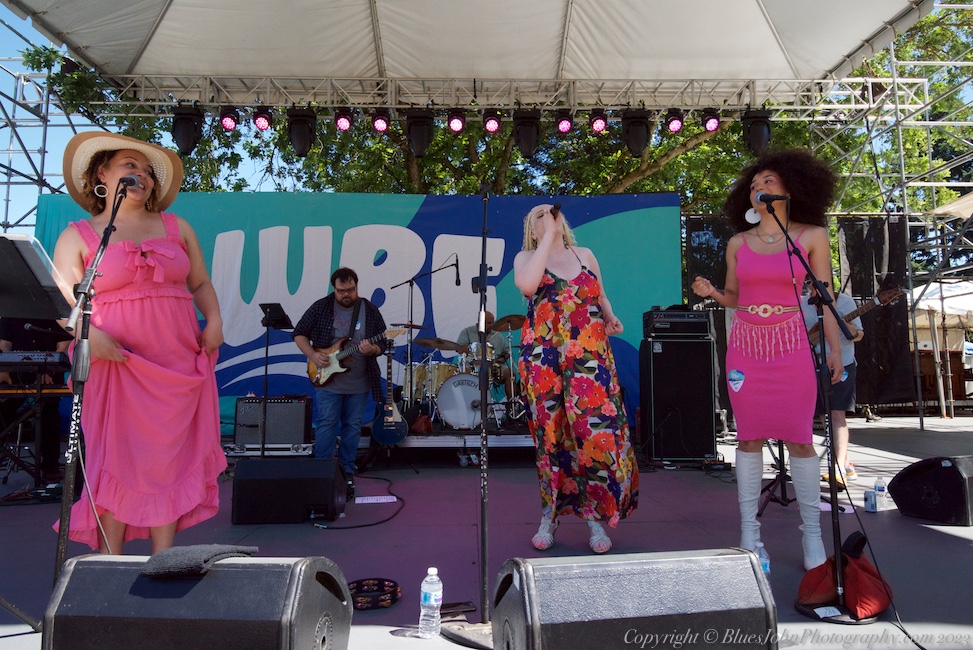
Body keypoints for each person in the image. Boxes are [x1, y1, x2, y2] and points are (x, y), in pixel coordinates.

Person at [52, 131, 226, 554]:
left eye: (147, 170)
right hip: (114, 362)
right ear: (101, 174)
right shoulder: (80, 234)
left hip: (175, 360)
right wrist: (92, 336)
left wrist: (216, 319)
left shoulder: (176, 226)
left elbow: (199, 281)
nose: (141, 175)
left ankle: (162, 562)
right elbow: (63, 303)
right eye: (130, 165)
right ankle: (109, 565)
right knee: (115, 460)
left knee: (167, 460)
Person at [692, 148, 842, 572]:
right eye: (755, 184)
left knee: (800, 438)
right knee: (749, 437)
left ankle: (813, 539)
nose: (759, 188)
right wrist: (712, 294)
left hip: (791, 344)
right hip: (747, 348)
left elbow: (824, 298)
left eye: (768, 182)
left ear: (792, 188)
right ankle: (749, 537)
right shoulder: (737, 243)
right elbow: (735, 297)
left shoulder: (812, 236)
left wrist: (834, 348)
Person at [514, 203, 639, 554]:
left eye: (549, 214)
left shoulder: (584, 254)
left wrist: (611, 315)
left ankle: (594, 519)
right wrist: (547, 238)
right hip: (545, 358)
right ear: (531, 228)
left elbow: (598, 293)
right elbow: (526, 286)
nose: (546, 218)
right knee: (551, 438)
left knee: (592, 436)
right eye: (537, 216)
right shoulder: (526, 258)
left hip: (589, 357)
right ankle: (548, 516)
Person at [293, 267, 387, 497]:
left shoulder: (370, 310)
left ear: (357, 287)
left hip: (359, 382)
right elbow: (299, 333)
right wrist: (313, 355)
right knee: (326, 424)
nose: (347, 294)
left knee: (352, 427)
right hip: (328, 381)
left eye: (351, 290)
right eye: (342, 291)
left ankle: (347, 474)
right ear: (333, 289)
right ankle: (321, 472)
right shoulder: (321, 306)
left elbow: (382, 343)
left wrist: (372, 348)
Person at [801, 290, 864, 486]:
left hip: (842, 364)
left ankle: (837, 468)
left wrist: (849, 329)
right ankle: (845, 462)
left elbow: (859, 335)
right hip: (815, 364)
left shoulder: (845, 302)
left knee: (837, 414)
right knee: (824, 414)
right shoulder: (803, 303)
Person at [0, 317, 70, 483]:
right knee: (3, 412)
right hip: (16, 374)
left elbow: (64, 344)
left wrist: (50, 370)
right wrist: (4, 368)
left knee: (49, 414)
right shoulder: (12, 313)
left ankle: (50, 467)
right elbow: (5, 343)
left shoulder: (54, 314)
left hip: (49, 375)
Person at [455, 311, 513, 400]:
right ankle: (467, 403)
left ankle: (511, 406)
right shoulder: (467, 332)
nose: (492, 325)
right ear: (481, 322)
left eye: (493, 322)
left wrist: (503, 358)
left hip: (493, 366)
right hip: (472, 365)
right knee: (463, 373)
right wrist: (476, 346)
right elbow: (459, 348)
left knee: (510, 373)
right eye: (489, 323)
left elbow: (507, 351)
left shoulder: (497, 335)